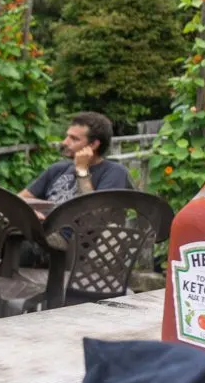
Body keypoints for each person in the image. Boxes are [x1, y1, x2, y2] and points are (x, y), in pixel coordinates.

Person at [18, 111, 133, 267]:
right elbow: (20, 199)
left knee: (17, 248)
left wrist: (82, 171)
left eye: (74, 139)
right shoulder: (58, 169)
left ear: (93, 145)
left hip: (72, 248)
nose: (65, 142)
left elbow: (96, 216)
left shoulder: (114, 172)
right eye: (67, 136)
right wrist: (29, 211)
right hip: (40, 235)